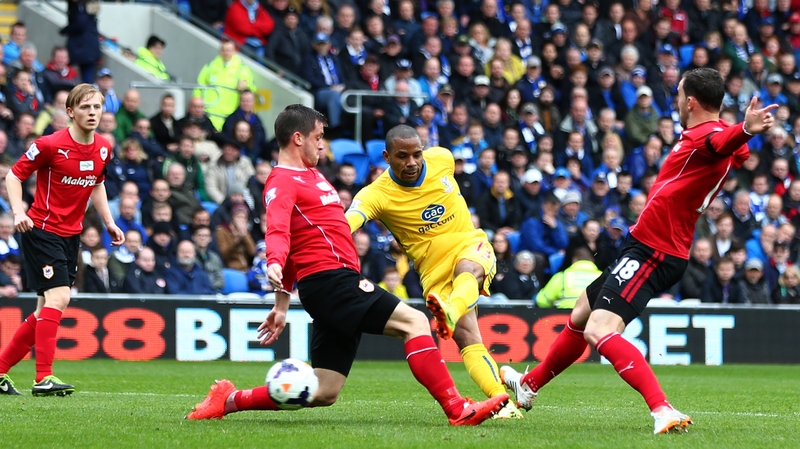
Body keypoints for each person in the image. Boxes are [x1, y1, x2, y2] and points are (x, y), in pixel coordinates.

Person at [187, 104, 507, 425]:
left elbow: (299, 243)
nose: (323, 144)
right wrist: (273, 259)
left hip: (325, 285)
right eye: (318, 137)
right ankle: (457, 408)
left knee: (324, 390)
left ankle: (227, 400)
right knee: (415, 324)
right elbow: (278, 230)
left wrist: (282, 305)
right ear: (298, 139)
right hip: (332, 280)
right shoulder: (282, 180)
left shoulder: (311, 175)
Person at [500, 68, 778, 434]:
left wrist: (742, 130)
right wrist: (742, 134)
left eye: (679, 94)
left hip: (654, 250)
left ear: (690, 101)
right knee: (582, 312)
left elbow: (721, 143)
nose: (676, 101)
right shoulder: (708, 136)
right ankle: (529, 386)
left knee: (599, 331)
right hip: (648, 244)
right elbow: (734, 152)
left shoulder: (707, 137)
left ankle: (662, 409)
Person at [345, 124, 522, 419]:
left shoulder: (442, 158)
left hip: (469, 243)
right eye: (402, 156)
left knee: (470, 268)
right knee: (469, 339)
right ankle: (505, 405)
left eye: (417, 154)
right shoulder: (376, 195)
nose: (412, 162)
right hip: (432, 270)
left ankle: (451, 310)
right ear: (387, 157)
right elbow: (349, 220)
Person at [0, 83, 124, 396]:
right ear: (70, 111)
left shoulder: (103, 147)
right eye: (85, 107)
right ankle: (43, 378)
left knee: (44, 310)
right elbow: (14, 175)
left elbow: (96, 183)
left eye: (97, 107)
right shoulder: (49, 144)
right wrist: (18, 212)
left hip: (71, 235)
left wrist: (109, 222)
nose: (93, 112)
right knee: (59, 299)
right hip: (41, 229)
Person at [536, 247, 602, 309]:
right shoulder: (602, 277)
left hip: (566, 318)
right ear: (592, 260)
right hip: (595, 317)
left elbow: (541, 301)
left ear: (574, 260)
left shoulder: (562, 276)